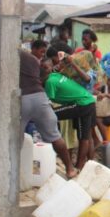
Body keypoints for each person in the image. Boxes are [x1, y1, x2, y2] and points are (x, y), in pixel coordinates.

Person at [19, 45, 76, 178]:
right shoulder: (33, 60)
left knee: (15, 137)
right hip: (40, 97)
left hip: (22, 99)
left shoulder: (11, 57)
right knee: (55, 136)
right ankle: (70, 169)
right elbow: (40, 79)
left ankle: (15, 173)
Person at [41, 59, 98, 170]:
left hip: (82, 103)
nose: (45, 69)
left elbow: (47, 104)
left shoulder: (50, 82)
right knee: (84, 136)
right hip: (88, 100)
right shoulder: (55, 75)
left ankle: (59, 149)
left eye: (46, 67)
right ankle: (80, 165)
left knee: (50, 115)